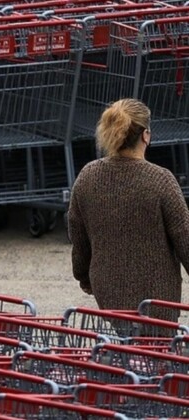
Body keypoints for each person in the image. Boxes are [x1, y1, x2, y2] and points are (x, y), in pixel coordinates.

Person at [68, 98, 189, 323]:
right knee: (155, 353)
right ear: (145, 135)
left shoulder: (88, 176)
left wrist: (84, 277)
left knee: (119, 351)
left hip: (107, 292)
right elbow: (185, 240)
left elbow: (78, 236)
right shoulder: (161, 180)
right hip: (157, 299)